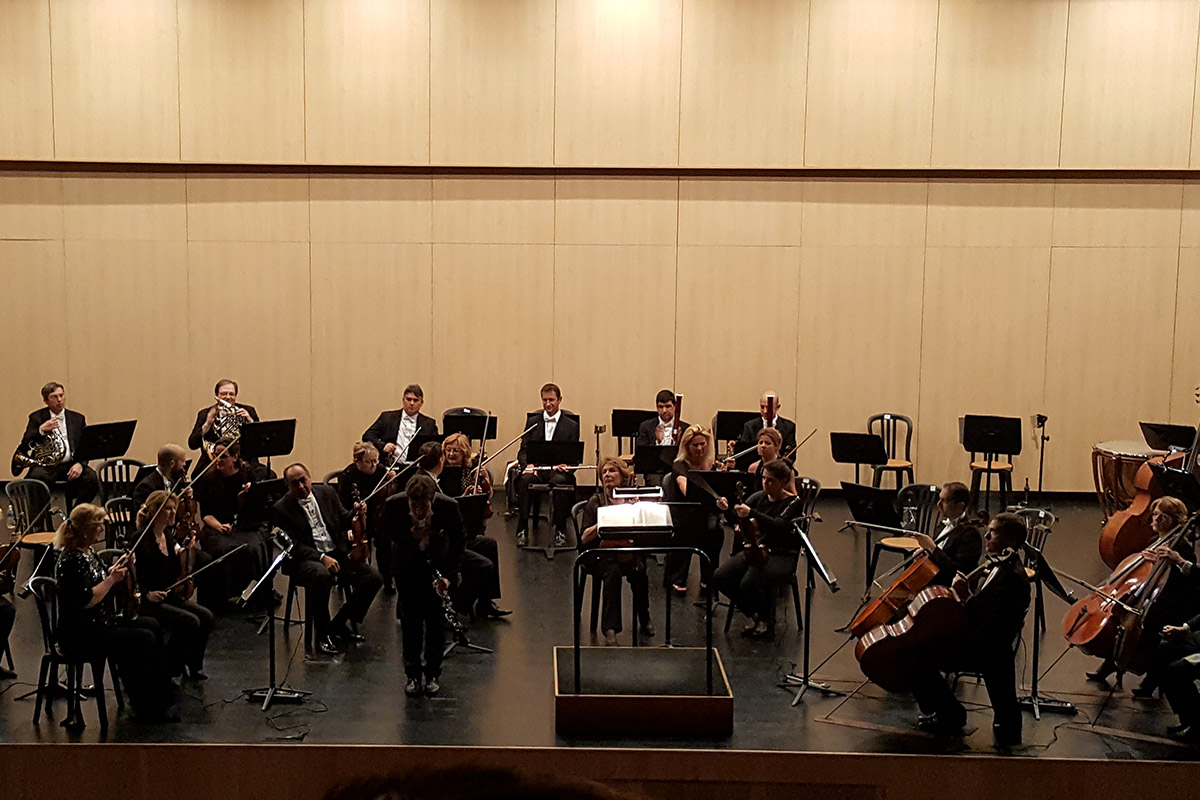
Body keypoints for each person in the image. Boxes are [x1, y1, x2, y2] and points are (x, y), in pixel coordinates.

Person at [905, 512, 1030, 746]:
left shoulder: (1012, 578)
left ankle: (950, 715)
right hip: (985, 642)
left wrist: (965, 595)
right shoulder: (1002, 564)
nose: (986, 536)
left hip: (988, 649)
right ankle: (949, 711)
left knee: (916, 655)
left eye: (993, 533)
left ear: (1011, 541)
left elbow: (990, 624)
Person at [52, 503, 176, 722]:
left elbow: (99, 578)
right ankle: (147, 703)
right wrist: (111, 580)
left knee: (151, 625)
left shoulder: (88, 553)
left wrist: (116, 569)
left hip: (97, 623)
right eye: (98, 525)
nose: (102, 528)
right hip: (81, 633)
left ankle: (160, 694)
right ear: (86, 529)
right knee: (141, 638)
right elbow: (87, 600)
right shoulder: (71, 560)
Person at [1086, 497, 1197, 693]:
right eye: (1155, 515)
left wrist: (1173, 562)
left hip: (1173, 601)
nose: (1156, 520)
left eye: (1163, 517)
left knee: (1150, 622)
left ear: (1174, 520)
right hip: (1153, 594)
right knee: (1121, 610)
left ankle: (1151, 675)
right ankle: (1112, 660)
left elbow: (1185, 585)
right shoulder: (1155, 541)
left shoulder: (1182, 548)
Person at [272, 464, 383, 656]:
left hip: (335, 551)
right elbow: (293, 545)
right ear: (287, 485)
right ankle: (322, 634)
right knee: (321, 576)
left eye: (303, 480)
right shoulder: (281, 508)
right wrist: (321, 557)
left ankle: (339, 624)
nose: (301, 486)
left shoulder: (327, 492)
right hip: (304, 560)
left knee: (372, 577)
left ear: (309, 476)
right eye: (294, 483)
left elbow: (342, 518)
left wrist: (356, 513)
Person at [382, 474, 464, 697]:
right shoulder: (394, 506)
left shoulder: (449, 507)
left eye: (423, 506)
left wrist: (448, 576)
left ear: (432, 500)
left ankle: (433, 674)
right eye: (414, 505)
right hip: (407, 569)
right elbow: (384, 536)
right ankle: (412, 675)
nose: (418, 511)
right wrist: (410, 537)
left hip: (438, 569)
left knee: (436, 624)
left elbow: (459, 543)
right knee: (410, 624)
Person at [714, 459, 804, 640]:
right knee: (720, 577)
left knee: (748, 582)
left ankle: (765, 619)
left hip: (782, 553)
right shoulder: (758, 497)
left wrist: (752, 513)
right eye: (763, 478)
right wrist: (726, 510)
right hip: (757, 549)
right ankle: (753, 614)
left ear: (783, 482)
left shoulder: (793, 502)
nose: (765, 483)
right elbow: (738, 519)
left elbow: (778, 525)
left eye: (770, 480)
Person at [133, 491, 214, 681]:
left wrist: (185, 552)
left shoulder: (167, 536)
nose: (172, 513)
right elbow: (131, 578)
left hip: (167, 594)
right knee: (189, 622)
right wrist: (147, 594)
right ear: (154, 512)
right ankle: (169, 666)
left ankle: (194, 665)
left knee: (206, 616)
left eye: (173, 509)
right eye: (167, 509)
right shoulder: (140, 539)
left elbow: (173, 571)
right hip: (148, 600)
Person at [579, 457, 652, 646]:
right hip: (599, 554)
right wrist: (602, 523)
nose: (607, 475)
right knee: (612, 572)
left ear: (622, 476)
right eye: (604, 472)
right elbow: (584, 538)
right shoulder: (596, 501)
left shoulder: (631, 500)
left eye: (612, 471)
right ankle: (610, 629)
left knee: (639, 570)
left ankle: (645, 618)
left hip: (625, 550)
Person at [192, 440, 267, 611]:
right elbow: (206, 515)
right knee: (222, 550)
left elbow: (255, 507)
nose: (218, 459)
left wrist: (247, 496)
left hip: (244, 524)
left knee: (252, 547)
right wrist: (219, 526)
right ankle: (223, 598)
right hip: (217, 525)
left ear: (234, 457)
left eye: (223, 456)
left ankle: (252, 595)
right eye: (216, 455)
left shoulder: (246, 473)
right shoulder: (208, 478)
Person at [442, 433, 509, 620]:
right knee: (483, 563)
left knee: (490, 544)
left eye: (456, 450)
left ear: (464, 453)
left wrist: (483, 489)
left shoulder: (470, 471)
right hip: (449, 535)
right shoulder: (443, 473)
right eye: (448, 450)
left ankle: (486, 602)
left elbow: (486, 502)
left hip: (468, 529)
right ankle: (460, 604)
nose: (451, 454)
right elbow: (448, 504)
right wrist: (465, 496)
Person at [514, 383, 581, 547]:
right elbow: (523, 450)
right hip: (537, 469)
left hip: (559, 471)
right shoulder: (533, 422)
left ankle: (560, 529)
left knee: (560, 482)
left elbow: (575, 458)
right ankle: (522, 528)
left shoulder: (571, 426)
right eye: (544, 400)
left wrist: (567, 465)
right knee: (524, 480)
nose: (548, 404)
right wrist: (528, 465)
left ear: (560, 400)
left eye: (551, 400)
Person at [15, 382, 99, 508]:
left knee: (91, 478)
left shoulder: (77, 418)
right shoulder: (37, 417)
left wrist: (80, 464)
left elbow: (85, 445)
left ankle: (76, 515)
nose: (59, 400)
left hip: (70, 464)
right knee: (36, 478)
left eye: (61, 395)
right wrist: (41, 430)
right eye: (54, 397)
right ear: (46, 400)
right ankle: (42, 522)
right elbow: (26, 443)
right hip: (47, 466)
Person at [662, 424, 724, 594]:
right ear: (687, 447)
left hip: (703, 514)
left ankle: (708, 576)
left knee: (716, 531)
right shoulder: (680, 465)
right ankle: (676, 577)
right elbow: (686, 489)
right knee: (691, 528)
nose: (700, 448)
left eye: (703, 444)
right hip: (684, 514)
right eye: (695, 445)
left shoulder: (711, 465)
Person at [337, 442, 396, 593]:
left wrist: (392, 479)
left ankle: (387, 580)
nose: (374, 465)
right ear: (357, 461)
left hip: (378, 517)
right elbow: (342, 504)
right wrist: (350, 522)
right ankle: (350, 579)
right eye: (369, 462)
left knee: (385, 543)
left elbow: (390, 495)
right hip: (356, 518)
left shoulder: (381, 470)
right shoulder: (348, 475)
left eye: (376, 460)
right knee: (353, 546)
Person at [910, 481, 984, 582]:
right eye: (939, 499)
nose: (938, 504)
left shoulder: (970, 535)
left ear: (960, 506)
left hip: (947, 587)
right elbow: (938, 557)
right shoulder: (942, 525)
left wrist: (932, 548)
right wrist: (925, 554)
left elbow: (956, 571)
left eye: (944, 501)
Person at [188, 379, 259, 478]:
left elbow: (259, 441)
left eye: (231, 394)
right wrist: (208, 423)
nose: (228, 397)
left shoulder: (248, 411)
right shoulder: (205, 413)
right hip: (213, 462)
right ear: (217, 396)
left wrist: (250, 421)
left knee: (264, 474)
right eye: (223, 394)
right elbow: (192, 444)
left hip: (243, 460)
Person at [363, 384, 438, 467]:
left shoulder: (429, 424)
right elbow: (367, 436)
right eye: (408, 399)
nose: (412, 403)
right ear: (403, 400)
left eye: (415, 400)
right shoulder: (387, 418)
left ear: (421, 403)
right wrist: (383, 446)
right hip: (390, 467)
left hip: (416, 469)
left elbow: (435, 447)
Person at [728, 427, 797, 494]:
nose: (763, 446)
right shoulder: (753, 468)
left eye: (767, 443)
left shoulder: (785, 469)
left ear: (777, 447)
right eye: (760, 442)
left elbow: (793, 495)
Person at [734, 390, 797, 457]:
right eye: (762, 407)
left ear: (777, 407)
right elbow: (744, 453)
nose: (765, 411)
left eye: (769, 407)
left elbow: (791, 454)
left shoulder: (789, 427)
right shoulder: (749, 426)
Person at [132, 443, 190, 509]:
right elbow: (143, 515)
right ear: (172, 464)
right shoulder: (146, 487)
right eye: (182, 461)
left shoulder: (175, 482)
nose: (184, 464)